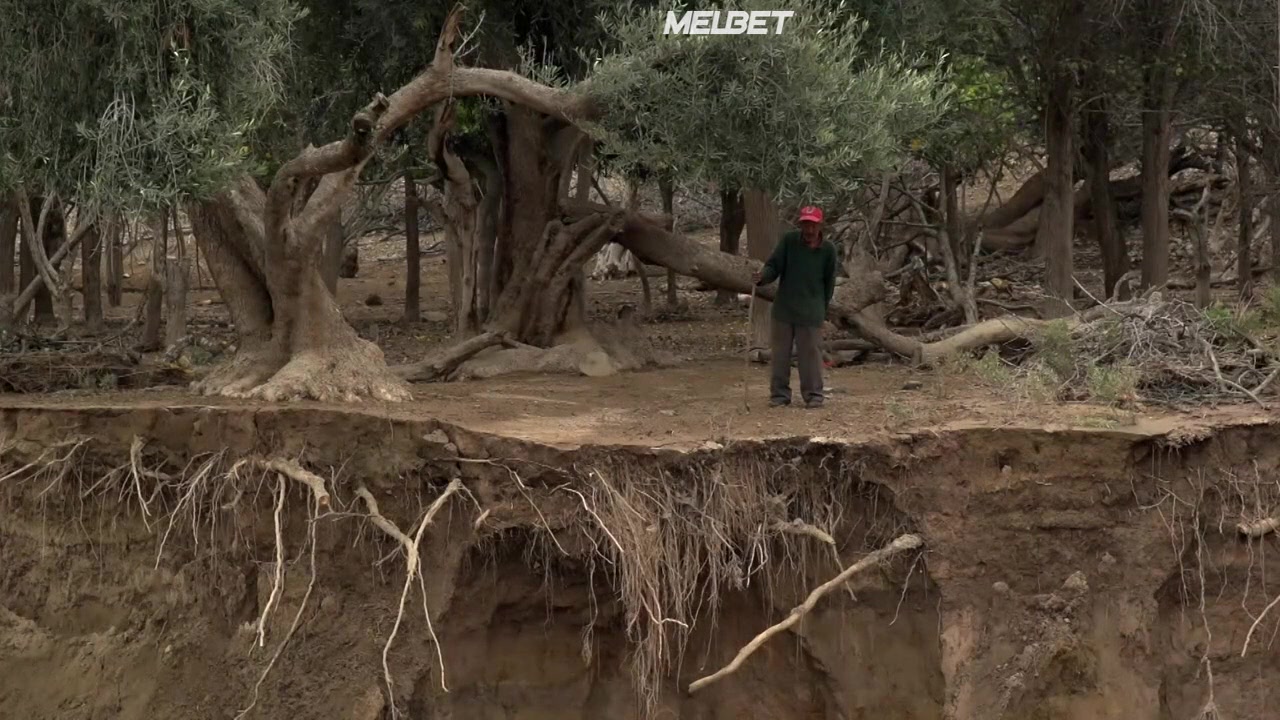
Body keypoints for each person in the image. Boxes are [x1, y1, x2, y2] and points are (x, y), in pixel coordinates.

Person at [751, 205, 837, 408]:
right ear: (800, 224)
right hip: (784, 309)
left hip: (811, 310)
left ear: (820, 225)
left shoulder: (828, 250)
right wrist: (762, 277)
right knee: (780, 355)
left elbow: (829, 283)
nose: (809, 230)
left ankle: (814, 395)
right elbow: (773, 266)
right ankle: (779, 395)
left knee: (810, 356)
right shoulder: (789, 241)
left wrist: (821, 310)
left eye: (813, 225)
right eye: (805, 224)